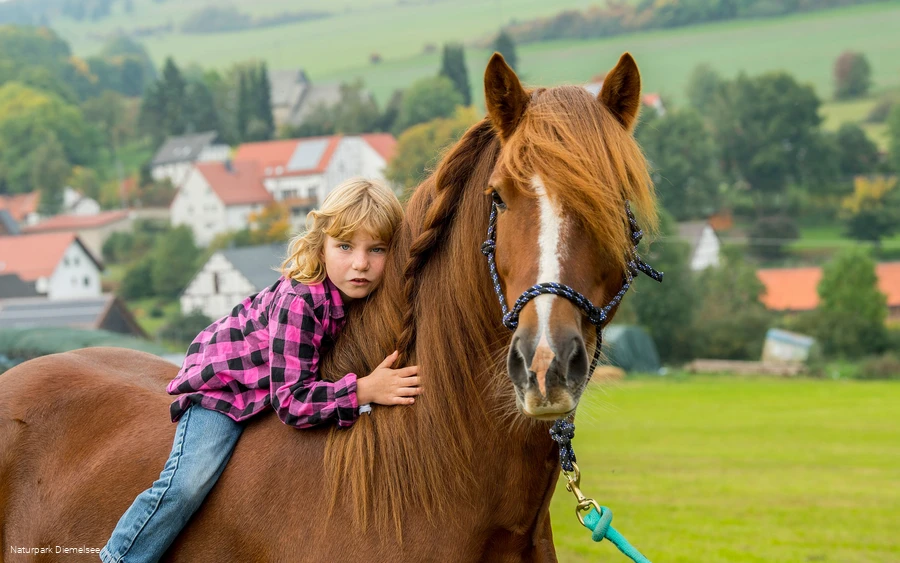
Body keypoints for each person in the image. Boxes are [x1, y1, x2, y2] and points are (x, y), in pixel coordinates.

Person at [100, 178, 420, 563]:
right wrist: (364, 391)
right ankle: (120, 556)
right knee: (188, 483)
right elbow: (292, 399)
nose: (361, 264)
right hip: (224, 387)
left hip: (270, 382)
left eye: (377, 249)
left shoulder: (359, 295)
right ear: (321, 245)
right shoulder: (301, 301)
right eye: (345, 246)